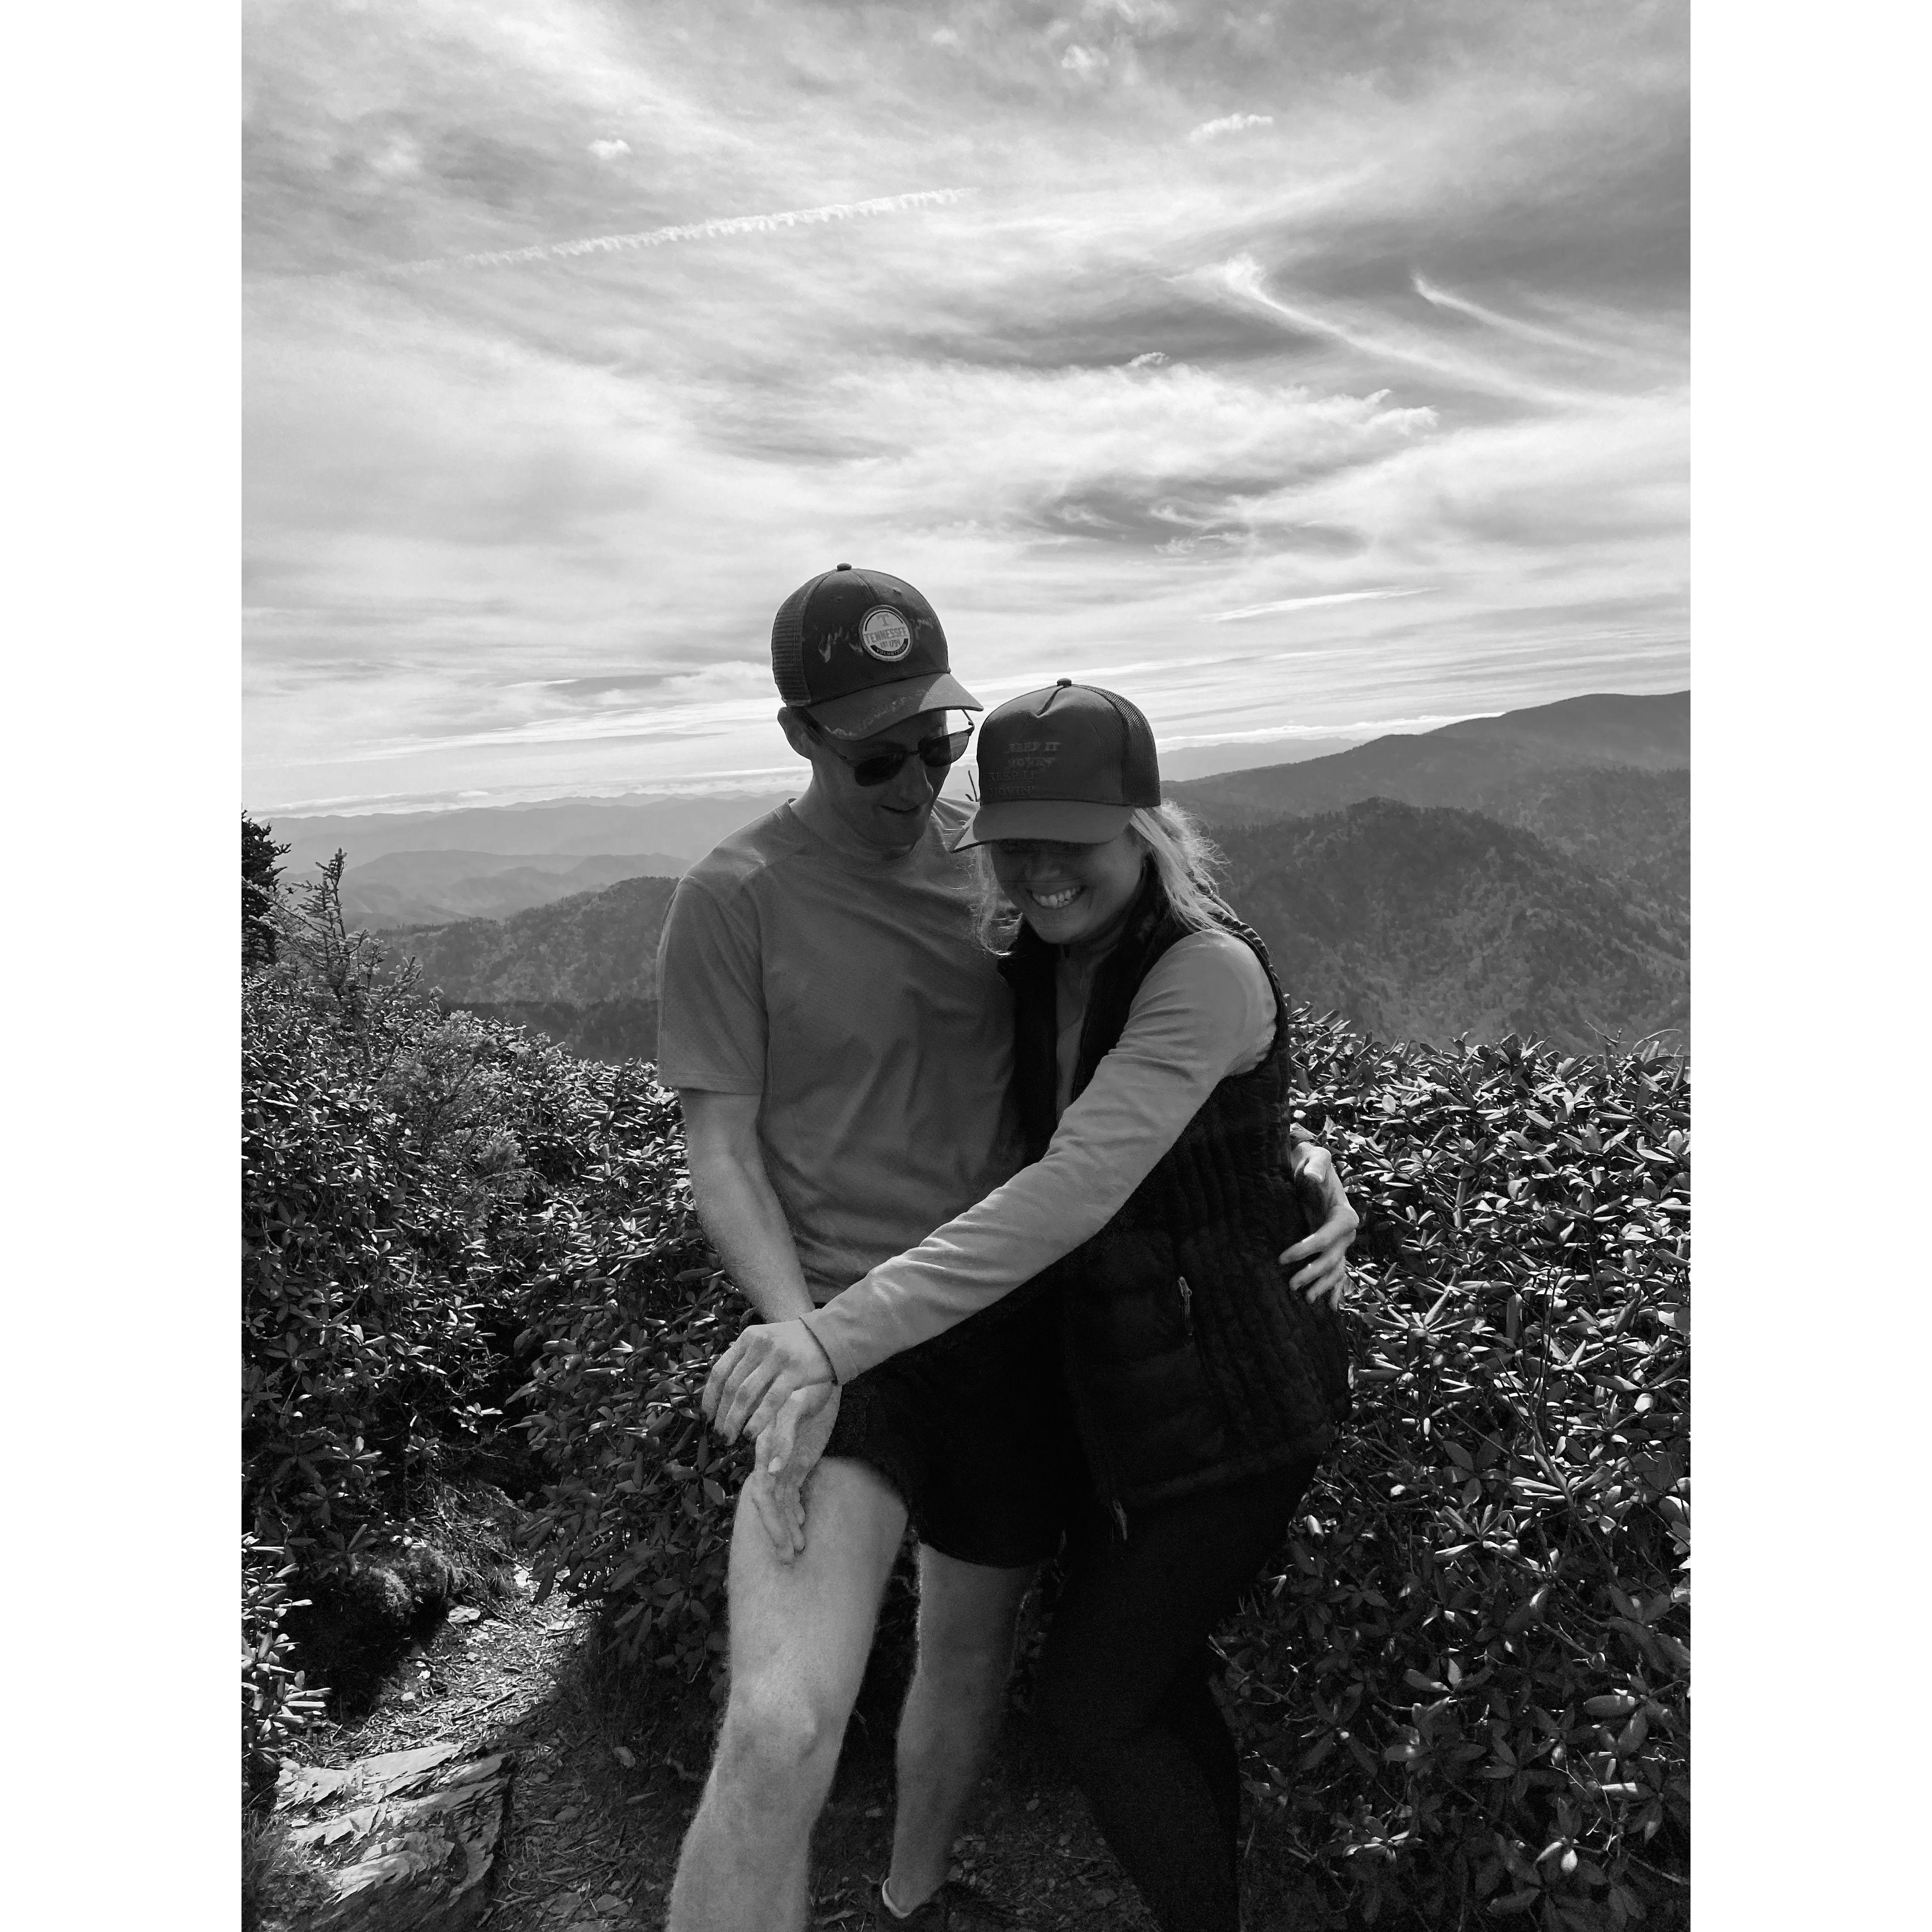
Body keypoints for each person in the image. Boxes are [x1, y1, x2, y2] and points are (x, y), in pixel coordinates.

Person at [659, 570, 1357, 1932]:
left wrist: (1308, 1171)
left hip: (1070, 1358)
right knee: (790, 1722)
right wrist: (807, 1338)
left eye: (939, 745)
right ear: (801, 733)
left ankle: (919, 1896)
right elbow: (724, 1144)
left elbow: (1112, 1132)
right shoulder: (788, 901)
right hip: (874, 1335)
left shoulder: (1057, 904)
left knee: (1019, 1668)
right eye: (882, 754)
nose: (921, 785)